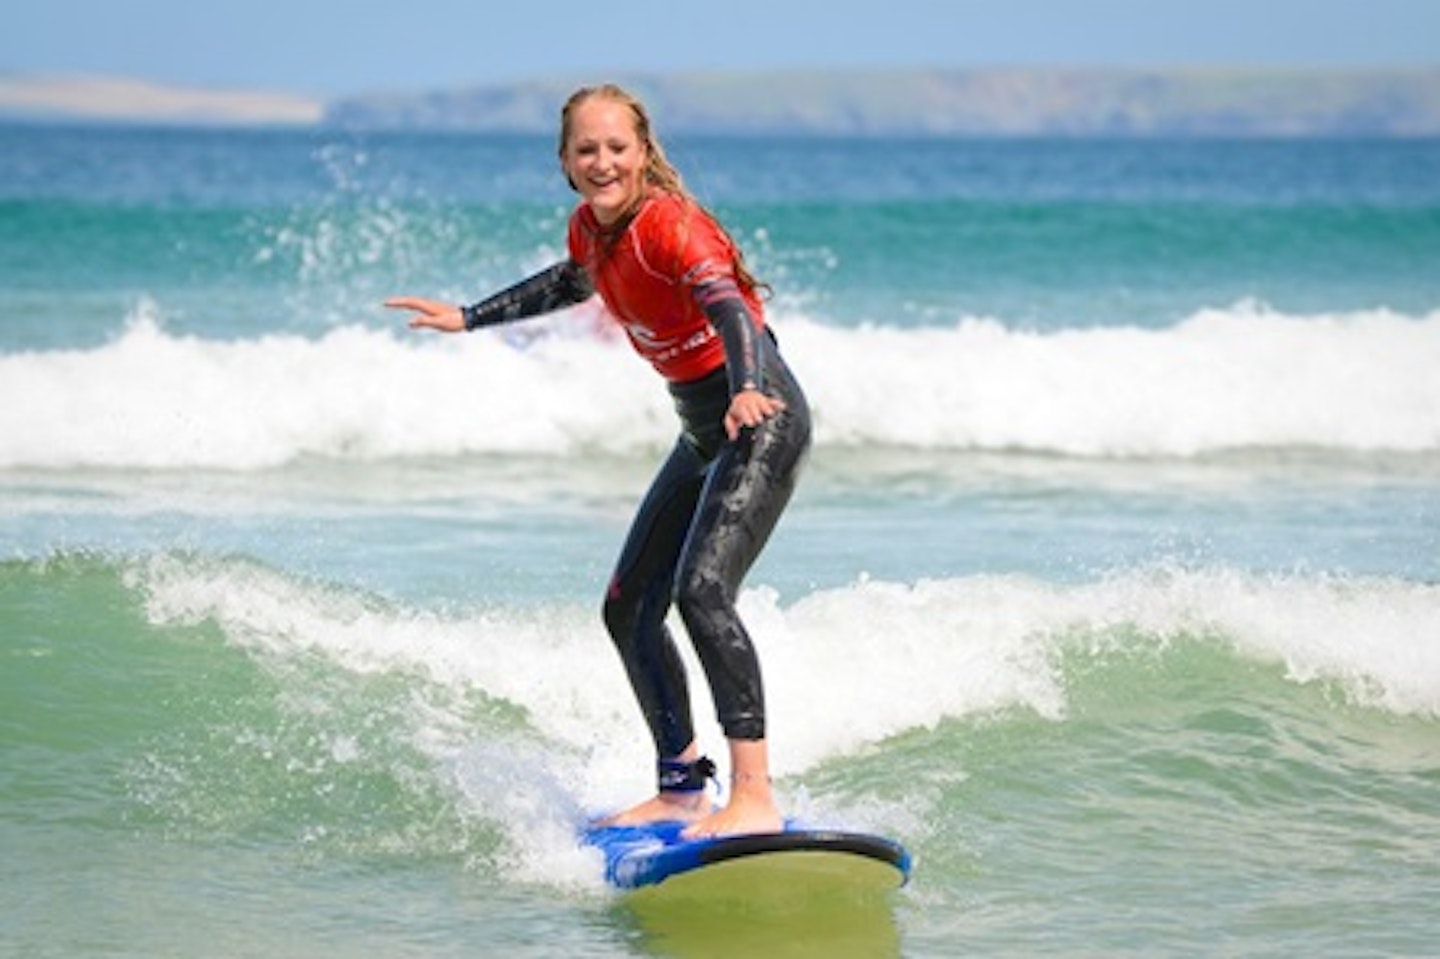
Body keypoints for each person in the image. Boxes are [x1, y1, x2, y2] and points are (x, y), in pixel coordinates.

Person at [385, 84, 811, 839]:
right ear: (565, 162)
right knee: (628, 606)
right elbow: (569, 280)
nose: (603, 161)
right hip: (704, 430)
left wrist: (746, 386)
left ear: (644, 152)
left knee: (703, 591)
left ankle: (754, 796)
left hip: (761, 417)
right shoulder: (592, 230)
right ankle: (681, 787)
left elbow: (730, 308)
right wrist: (470, 316)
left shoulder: (673, 228)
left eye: (618, 147)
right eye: (587, 149)